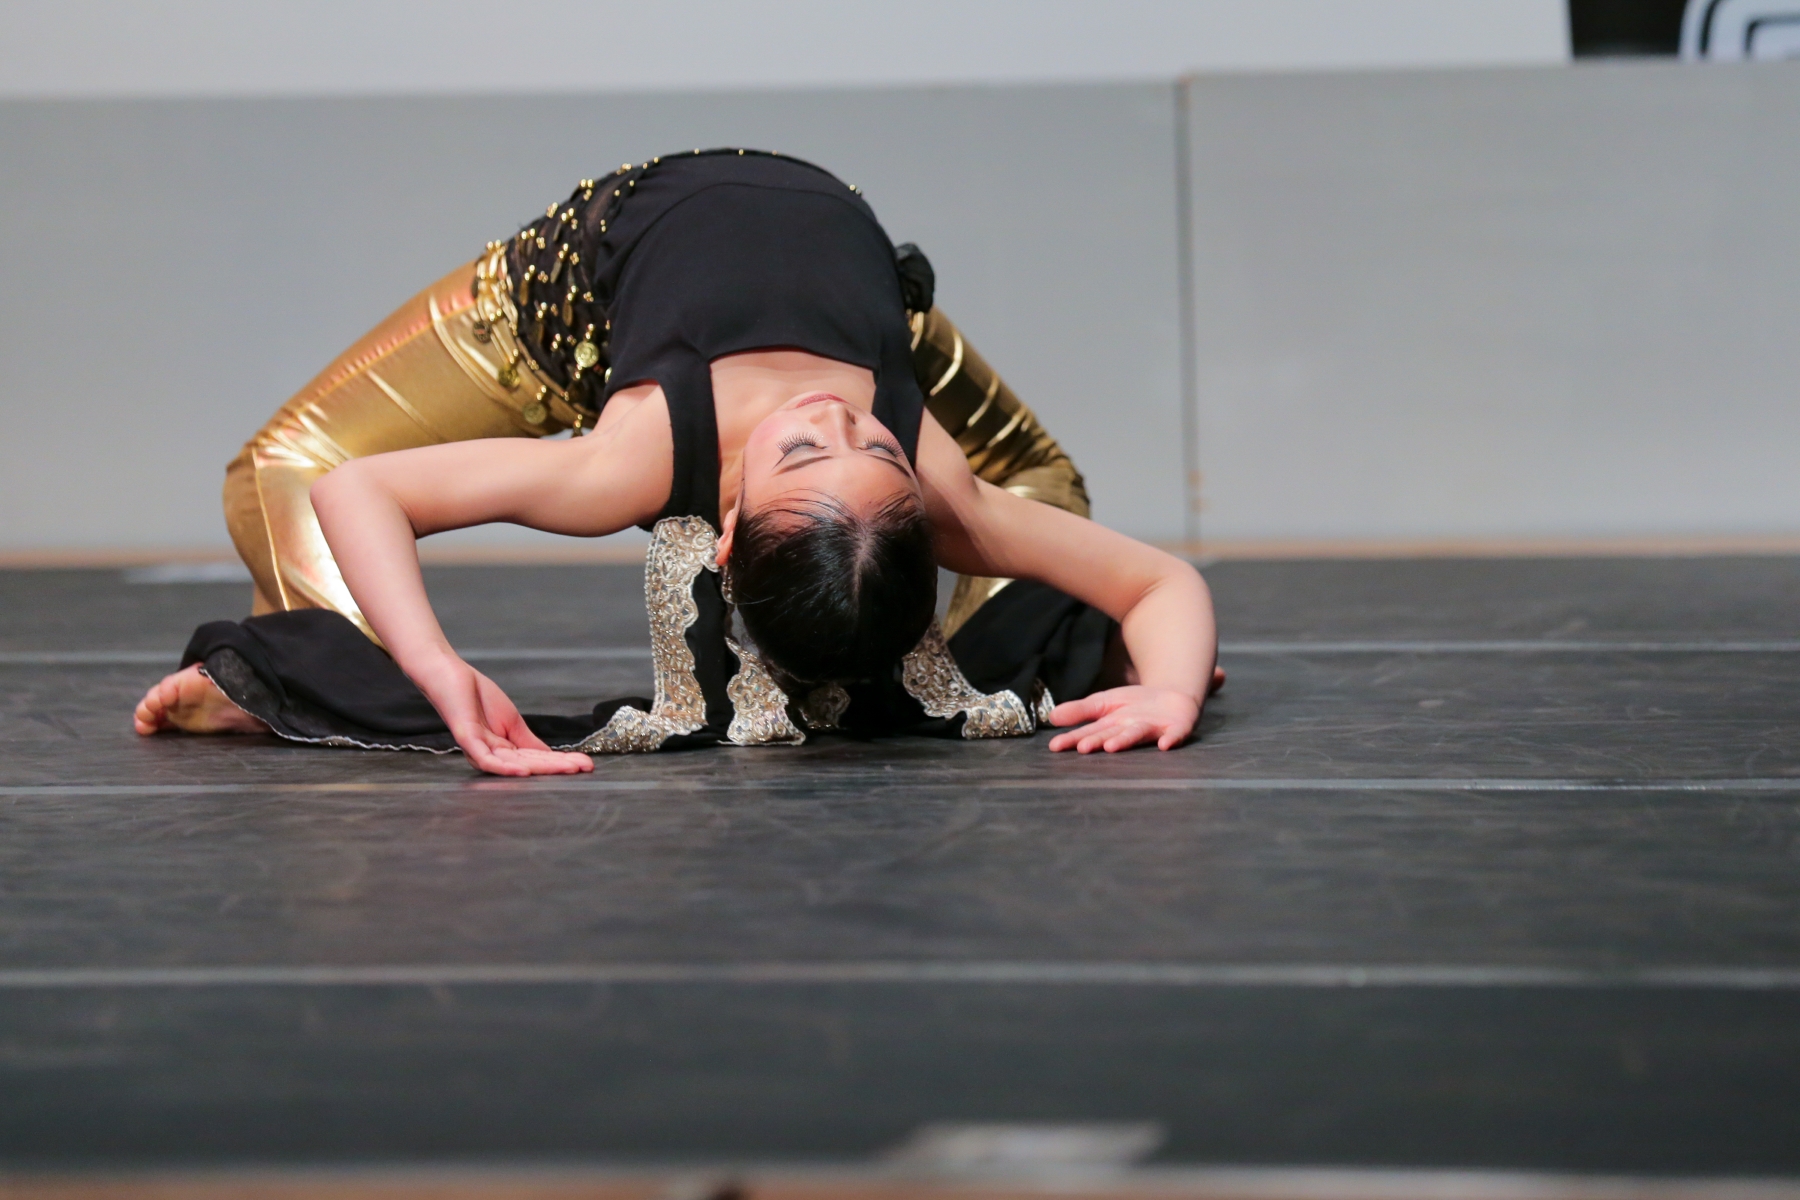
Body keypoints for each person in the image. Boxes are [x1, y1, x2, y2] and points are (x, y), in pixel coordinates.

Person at [134, 149, 1221, 776]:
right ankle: (323, 678)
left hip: (705, 299)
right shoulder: (924, 479)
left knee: (1034, 498)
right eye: (870, 438)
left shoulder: (643, 459)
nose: (833, 415)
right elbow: (1162, 580)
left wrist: (1167, 686)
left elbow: (359, 492)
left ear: (727, 527)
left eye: (817, 448)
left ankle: (292, 686)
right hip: (561, 312)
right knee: (274, 466)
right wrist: (1168, 679)